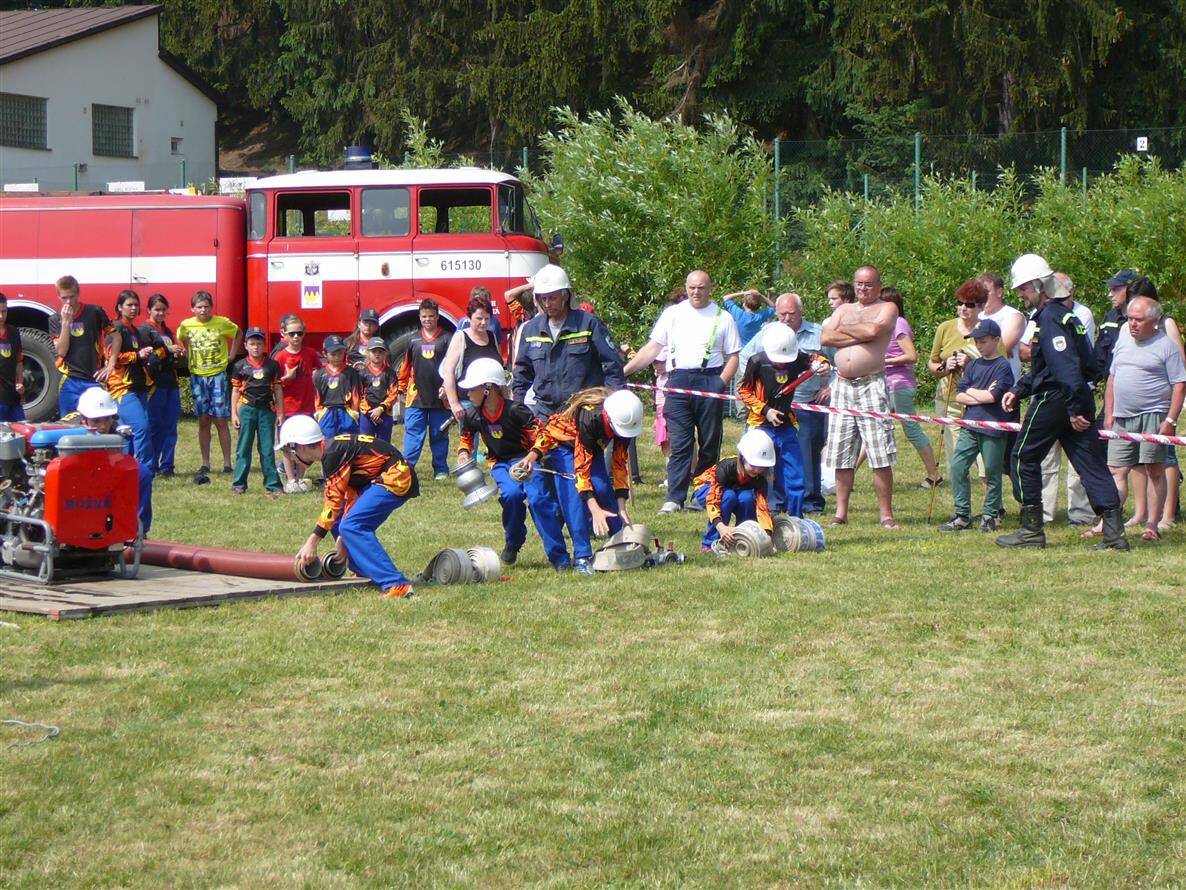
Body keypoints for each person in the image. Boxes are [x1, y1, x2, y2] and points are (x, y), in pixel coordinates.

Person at [996, 254, 1128, 550]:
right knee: (1090, 463)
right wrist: (1020, 389)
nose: (1020, 294)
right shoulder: (1067, 316)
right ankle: (1115, 535)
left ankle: (1031, 529)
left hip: (1057, 399)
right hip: (1074, 395)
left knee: (1023, 456)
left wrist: (1074, 408)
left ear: (1039, 286)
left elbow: (1064, 367)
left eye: (1023, 288)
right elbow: (1085, 365)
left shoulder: (1050, 318)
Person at [624, 270, 741, 514]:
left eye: (701, 288)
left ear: (710, 289)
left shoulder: (724, 317)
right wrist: (623, 372)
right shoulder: (673, 314)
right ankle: (674, 498)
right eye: (692, 287)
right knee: (679, 444)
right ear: (686, 288)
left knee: (709, 443)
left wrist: (719, 383)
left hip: (710, 380)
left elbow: (733, 357)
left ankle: (703, 494)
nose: (696, 292)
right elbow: (652, 348)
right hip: (677, 381)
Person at [281, 416, 420, 599]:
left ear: (301, 447)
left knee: (352, 527)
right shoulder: (332, 451)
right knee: (341, 523)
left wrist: (312, 542)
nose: (290, 457)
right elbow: (348, 494)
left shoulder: (333, 453)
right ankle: (361, 570)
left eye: (289, 451)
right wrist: (341, 538)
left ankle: (397, 584)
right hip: (376, 481)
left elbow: (333, 503)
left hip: (395, 477)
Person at [515, 388, 645, 575]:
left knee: (602, 486)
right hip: (563, 444)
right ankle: (582, 555)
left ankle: (621, 542)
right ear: (609, 418)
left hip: (590, 445)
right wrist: (595, 509)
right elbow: (581, 471)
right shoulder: (590, 418)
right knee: (574, 498)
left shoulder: (626, 423)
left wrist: (622, 508)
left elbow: (619, 464)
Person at [454, 357, 568, 568]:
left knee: (538, 500)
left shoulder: (516, 410)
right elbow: (466, 437)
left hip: (529, 461)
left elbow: (543, 437)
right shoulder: (473, 415)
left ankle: (559, 557)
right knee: (511, 496)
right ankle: (513, 542)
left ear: (488, 389)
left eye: (472, 389)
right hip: (500, 463)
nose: (468, 394)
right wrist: (463, 452)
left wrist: (532, 457)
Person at [1100, 295, 1186, 542]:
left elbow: (1180, 385)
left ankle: (1152, 525)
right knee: (1116, 470)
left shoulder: (1166, 346)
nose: (1133, 323)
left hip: (1153, 416)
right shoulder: (1123, 340)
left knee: (1154, 470)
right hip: (1122, 417)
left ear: (1154, 321)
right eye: (1130, 318)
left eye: (1138, 319)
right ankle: (1108, 523)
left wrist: (1170, 421)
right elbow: (1112, 378)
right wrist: (1109, 414)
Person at [820, 264, 899, 528]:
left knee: (879, 452)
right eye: (859, 284)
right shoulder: (844, 309)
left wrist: (847, 330)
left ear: (878, 285)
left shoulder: (887, 308)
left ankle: (886, 514)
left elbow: (873, 333)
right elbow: (825, 337)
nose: (863, 288)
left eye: (868, 284)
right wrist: (859, 334)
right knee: (841, 451)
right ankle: (840, 513)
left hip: (871, 384)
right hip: (842, 385)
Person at [512, 264, 624, 420]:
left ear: (565, 295)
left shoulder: (588, 324)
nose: (547, 304)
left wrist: (613, 405)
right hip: (545, 414)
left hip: (584, 413)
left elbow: (613, 366)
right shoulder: (531, 330)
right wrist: (516, 409)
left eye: (552, 298)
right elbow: (522, 374)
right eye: (543, 298)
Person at [737, 324, 826, 516]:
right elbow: (743, 391)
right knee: (756, 471)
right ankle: (756, 513)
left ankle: (796, 517)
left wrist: (824, 364)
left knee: (795, 476)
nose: (782, 364)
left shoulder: (797, 358)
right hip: (760, 426)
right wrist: (765, 410)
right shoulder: (757, 361)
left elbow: (817, 359)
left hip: (787, 427)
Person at [937, 319, 1014, 532]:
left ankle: (990, 515)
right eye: (976, 341)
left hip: (993, 427)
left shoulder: (1003, 367)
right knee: (958, 466)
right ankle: (962, 515)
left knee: (991, 472)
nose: (979, 345)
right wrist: (977, 393)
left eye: (983, 341)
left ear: (996, 340)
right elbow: (959, 395)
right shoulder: (973, 365)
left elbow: (993, 397)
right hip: (970, 425)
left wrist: (973, 393)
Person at [176, 290, 241, 483]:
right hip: (198, 376)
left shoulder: (221, 323)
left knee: (220, 420)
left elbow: (238, 333)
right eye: (199, 307)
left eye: (206, 306)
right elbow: (180, 336)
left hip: (217, 375)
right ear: (192, 308)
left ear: (211, 307)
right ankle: (205, 462)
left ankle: (227, 463)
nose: (203, 310)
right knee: (203, 420)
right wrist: (186, 351)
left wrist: (232, 355)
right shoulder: (186, 325)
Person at [880, 286, 942, 487]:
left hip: (899, 384)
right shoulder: (886, 324)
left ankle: (934, 475)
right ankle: (850, 473)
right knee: (876, 426)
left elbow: (911, 356)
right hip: (886, 383)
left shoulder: (898, 323)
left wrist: (882, 362)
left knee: (911, 429)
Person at [76, 386, 153, 534]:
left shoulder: (117, 430)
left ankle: (138, 530)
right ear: (83, 419)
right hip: (77, 471)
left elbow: (123, 457)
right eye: (96, 421)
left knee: (142, 473)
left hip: (106, 468)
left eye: (107, 419)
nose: (103, 426)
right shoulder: (71, 428)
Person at [928, 280, 983, 470]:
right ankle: (959, 485)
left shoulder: (988, 329)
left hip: (980, 400)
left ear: (981, 306)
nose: (963, 308)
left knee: (984, 462)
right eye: (960, 303)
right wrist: (945, 367)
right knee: (956, 458)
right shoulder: (945, 327)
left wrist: (970, 365)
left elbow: (999, 366)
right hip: (948, 399)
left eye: (969, 304)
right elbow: (932, 363)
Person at [694, 428, 776, 551]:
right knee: (729, 496)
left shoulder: (760, 479)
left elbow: (762, 509)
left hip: (733, 489)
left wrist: (767, 534)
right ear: (742, 458)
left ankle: (743, 538)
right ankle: (710, 544)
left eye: (762, 467)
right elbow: (713, 500)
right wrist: (720, 526)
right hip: (707, 488)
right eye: (753, 465)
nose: (757, 470)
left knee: (747, 498)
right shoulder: (726, 468)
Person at [398, 299, 451, 479]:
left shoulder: (447, 338)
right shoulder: (413, 339)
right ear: (419, 317)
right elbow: (405, 366)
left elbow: (453, 367)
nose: (427, 319)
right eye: (424, 316)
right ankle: (407, 468)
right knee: (413, 432)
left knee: (439, 433)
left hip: (440, 396)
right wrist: (400, 388)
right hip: (416, 396)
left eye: (431, 316)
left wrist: (447, 386)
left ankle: (441, 469)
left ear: (437, 316)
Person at [106, 290, 156, 478]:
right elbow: (111, 357)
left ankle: (126, 470)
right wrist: (137, 355)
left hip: (139, 386)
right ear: (119, 307)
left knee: (127, 433)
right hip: (122, 388)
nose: (133, 308)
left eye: (136, 305)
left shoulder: (135, 330)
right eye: (129, 305)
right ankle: (144, 471)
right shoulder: (115, 329)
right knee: (141, 428)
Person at [230, 326, 285, 497]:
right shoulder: (239, 366)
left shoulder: (272, 365)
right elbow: (235, 391)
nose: (256, 347)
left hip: (267, 410)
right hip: (247, 409)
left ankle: (273, 485)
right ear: (245, 345)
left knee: (267, 449)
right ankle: (239, 484)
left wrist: (280, 412)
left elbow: (278, 389)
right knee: (244, 448)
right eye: (252, 343)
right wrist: (234, 414)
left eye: (259, 343)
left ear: (264, 345)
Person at [48, 275, 112, 416]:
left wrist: (111, 365)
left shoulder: (94, 312)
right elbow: (61, 351)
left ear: (78, 293)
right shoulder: (55, 319)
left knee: (98, 419)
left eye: (72, 296)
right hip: (69, 378)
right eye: (64, 298)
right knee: (69, 421)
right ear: (58, 297)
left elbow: (115, 335)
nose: (69, 301)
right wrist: (66, 323)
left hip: (94, 377)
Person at [272, 314, 321, 492]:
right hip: (287, 409)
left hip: (307, 408)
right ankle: (291, 479)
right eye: (291, 333)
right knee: (287, 445)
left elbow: (320, 371)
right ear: (283, 334)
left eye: (299, 333)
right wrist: (287, 378)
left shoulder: (310, 353)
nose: (295, 337)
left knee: (305, 444)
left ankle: (300, 478)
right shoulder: (280, 357)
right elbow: (274, 385)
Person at [139, 294, 183, 477]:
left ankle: (167, 466)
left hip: (171, 382)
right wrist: (167, 350)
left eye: (164, 310)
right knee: (154, 426)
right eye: (157, 309)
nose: (161, 313)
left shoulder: (166, 330)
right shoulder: (144, 330)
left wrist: (177, 354)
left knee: (171, 426)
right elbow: (148, 359)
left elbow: (168, 355)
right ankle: (152, 465)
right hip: (154, 384)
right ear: (149, 310)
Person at [652, 286, 688, 473]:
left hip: (672, 400)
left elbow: (659, 360)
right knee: (671, 442)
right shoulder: (668, 323)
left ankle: (682, 473)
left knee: (678, 442)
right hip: (663, 403)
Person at [312, 335, 361, 437]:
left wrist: (354, 412)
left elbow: (355, 394)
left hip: (346, 411)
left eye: (340, 353)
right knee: (328, 441)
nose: (337, 357)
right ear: (324, 353)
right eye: (333, 354)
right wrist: (319, 412)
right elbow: (317, 396)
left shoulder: (351, 372)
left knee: (348, 441)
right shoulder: (319, 374)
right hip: (327, 412)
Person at [1094, 268, 1138, 377]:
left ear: (1130, 290)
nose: (1109, 295)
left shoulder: (1148, 320)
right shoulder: (1110, 318)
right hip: (1111, 384)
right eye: (1110, 290)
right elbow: (1099, 357)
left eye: (1115, 289)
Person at [358, 337, 399, 442]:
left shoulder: (390, 373)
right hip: (367, 415)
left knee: (383, 445)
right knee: (366, 445)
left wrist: (381, 409)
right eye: (374, 351)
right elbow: (359, 394)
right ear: (368, 353)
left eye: (380, 352)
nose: (377, 354)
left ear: (385, 354)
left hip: (385, 414)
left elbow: (394, 393)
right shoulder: (362, 373)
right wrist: (370, 413)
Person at [0, 293, 26, 421]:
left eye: (4, 311)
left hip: (13, 396)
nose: (1, 316)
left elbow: (19, 361)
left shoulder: (14, 332)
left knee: (21, 429)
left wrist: (20, 383)